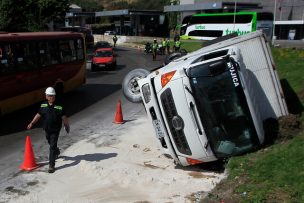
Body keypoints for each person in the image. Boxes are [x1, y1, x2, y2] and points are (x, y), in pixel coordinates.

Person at [27, 87, 70, 173]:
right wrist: (32, 123)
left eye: (53, 96)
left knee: (52, 147)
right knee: (50, 142)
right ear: (46, 96)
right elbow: (38, 115)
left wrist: (66, 125)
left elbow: (64, 117)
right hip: (47, 129)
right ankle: (56, 151)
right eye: (50, 96)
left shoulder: (59, 107)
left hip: (55, 129)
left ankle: (51, 165)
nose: (51, 97)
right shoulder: (43, 105)